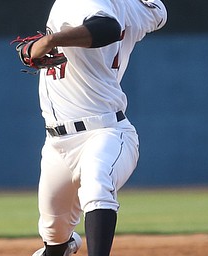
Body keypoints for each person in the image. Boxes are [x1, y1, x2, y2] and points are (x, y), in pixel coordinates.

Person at [26, 0, 167, 255]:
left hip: (105, 132)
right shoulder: (134, 8)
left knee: (97, 185)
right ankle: (63, 246)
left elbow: (107, 28)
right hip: (57, 144)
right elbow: (158, 13)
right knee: (54, 236)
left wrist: (48, 41)